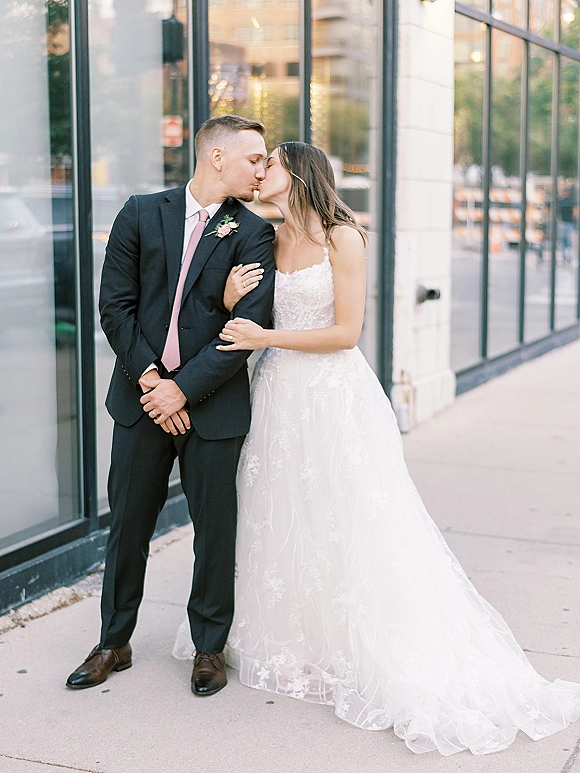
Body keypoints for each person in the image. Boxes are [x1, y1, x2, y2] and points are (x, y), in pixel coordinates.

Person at [173, 141, 580, 754]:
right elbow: (244, 315)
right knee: (277, 510)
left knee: (349, 516)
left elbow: (346, 333)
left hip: (331, 394)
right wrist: (234, 304)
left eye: (271, 163)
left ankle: (361, 642)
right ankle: (293, 640)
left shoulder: (343, 237)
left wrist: (264, 333)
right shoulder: (263, 237)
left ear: (300, 173)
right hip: (277, 394)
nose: (261, 173)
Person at [66, 115, 275, 697]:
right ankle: (113, 641)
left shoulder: (253, 231)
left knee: (215, 531)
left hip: (213, 405)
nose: (262, 167)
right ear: (216, 158)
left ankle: (208, 648)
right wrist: (156, 381)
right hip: (141, 399)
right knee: (128, 524)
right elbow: (116, 307)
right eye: (254, 157)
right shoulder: (139, 212)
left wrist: (184, 389)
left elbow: (249, 323)